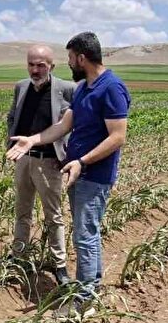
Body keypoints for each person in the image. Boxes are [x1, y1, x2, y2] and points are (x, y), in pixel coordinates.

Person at [7, 32, 130, 303]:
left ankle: (84, 297)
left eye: (71, 58)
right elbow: (64, 126)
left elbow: (118, 136)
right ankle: (91, 285)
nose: (69, 63)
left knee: (85, 236)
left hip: (93, 174)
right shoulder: (86, 87)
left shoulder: (111, 87)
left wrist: (82, 160)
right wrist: (32, 139)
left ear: (82, 58)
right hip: (77, 172)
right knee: (88, 232)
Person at [5, 44, 76, 285]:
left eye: (40, 65)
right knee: (22, 211)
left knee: (53, 216)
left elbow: (74, 124)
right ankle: (18, 256)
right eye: (31, 65)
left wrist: (66, 155)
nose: (35, 70)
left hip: (49, 163)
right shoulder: (21, 86)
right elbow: (12, 116)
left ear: (51, 67)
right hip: (23, 160)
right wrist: (10, 145)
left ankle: (60, 265)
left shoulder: (67, 89)